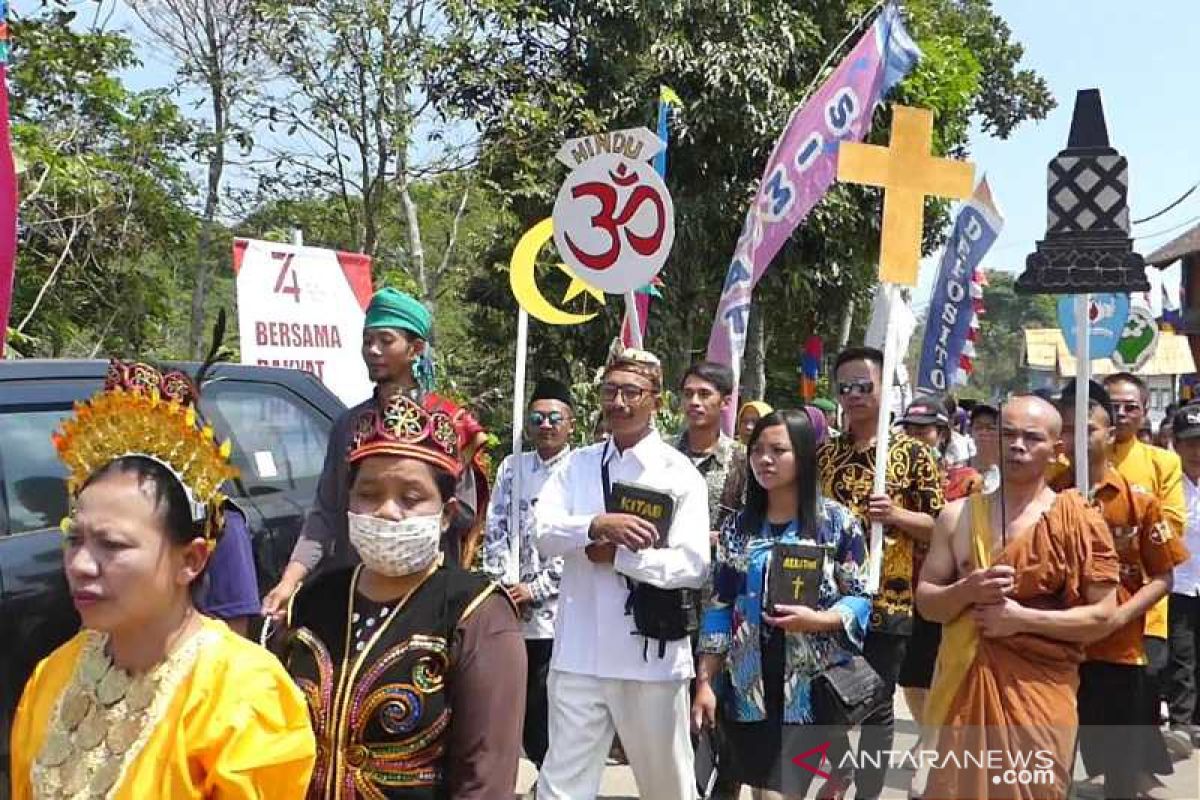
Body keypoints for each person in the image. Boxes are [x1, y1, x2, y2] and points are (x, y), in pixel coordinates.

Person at [10, 360, 316, 799]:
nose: (79, 564)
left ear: (190, 560)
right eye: (73, 538)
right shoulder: (53, 675)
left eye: (112, 545)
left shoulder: (243, 694)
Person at [278, 391, 525, 799]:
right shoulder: (313, 601)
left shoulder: (476, 612)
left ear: (446, 515)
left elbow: (484, 778)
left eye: (410, 499)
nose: (387, 511)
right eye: (369, 495)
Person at [917, 395, 1119, 800]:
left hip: (1040, 695)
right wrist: (966, 591)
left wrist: (1021, 620)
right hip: (963, 686)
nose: (1017, 446)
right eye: (1007, 434)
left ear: (1055, 449)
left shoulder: (1078, 519)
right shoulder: (956, 517)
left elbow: (1102, 616)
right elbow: (926, 602)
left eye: (1031, 437)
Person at [534, 348, 710, 800]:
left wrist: (622, 558)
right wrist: (593, 525)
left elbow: (693, 565)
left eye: (632, 391)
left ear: (656, 399)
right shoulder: (578, 464)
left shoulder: (678, 473)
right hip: (578, 651)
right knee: (562, 784)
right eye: (610, 391)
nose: (619, 402)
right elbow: (542, 532)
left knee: (668, 785)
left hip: (649, 659)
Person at [262, 288, 490, 617]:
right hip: (355, 591)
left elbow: (465, 515)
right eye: (367, 340)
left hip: (427, 597)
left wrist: (410, 523)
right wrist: (289, 581)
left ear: (415, 349)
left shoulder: (450, 425)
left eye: (386, 340)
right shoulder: (348, 425)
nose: (373, 350)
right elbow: (326, 512)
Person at [693, 409, 869, 798]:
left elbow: (859, 598)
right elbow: (720, 606)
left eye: (778, 450)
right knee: (753, 784)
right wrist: (705, 682)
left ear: (804, 456)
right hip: (747, 683)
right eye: (757, 450)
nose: (764, 460)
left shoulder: (837, 524)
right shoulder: (738, 527)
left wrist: (820, 620)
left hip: (809, 685)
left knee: (786, 789)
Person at [818, 346, 944, 800]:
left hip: (887, 599)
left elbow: (939, 526)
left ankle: (868, 793)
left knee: (875, 705)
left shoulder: (913, 455)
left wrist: (895, 515)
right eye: (845, 387)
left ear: (884, 388)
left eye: (863, 386)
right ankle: (841, 769)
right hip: (829, 602)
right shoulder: (825, 456)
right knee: (821, 697)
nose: (853, 395)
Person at [1053, 380, 1187, 800]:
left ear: (1109, 433)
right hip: (1054, 651)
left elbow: (1164, 576)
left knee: (1121, 777)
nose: (1077, 437)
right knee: (1049, 767)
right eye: (1067, 428)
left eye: (1088, 428)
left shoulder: (1137, 503)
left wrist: (1121, 616)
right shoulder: (1045, 494)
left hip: (1120, 651)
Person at [481, 377, 575, 773]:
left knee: (555, 701)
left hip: (562, 614)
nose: (546, 425)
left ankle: (555, 776)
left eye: (555, 417)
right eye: (537, 417)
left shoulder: (581, 469)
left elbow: (578, 544)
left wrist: (536, 589)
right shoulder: (512, 466)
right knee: (517, 704)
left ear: (571, 422)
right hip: (513, 610)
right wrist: (504, 585)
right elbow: (496, 528)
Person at [1102, 372, 1186, 772]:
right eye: (1112, 405)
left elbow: (1171, 522)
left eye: (1130, 406)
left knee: (1141, 691)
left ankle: (1131, 778)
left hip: (1143, 600)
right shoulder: (1073, 461)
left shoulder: (1162, 462)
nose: (1121, 413)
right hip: (1087, 601)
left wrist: (1119, 535)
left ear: (1144, 411)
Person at [895, 396, 980, 771]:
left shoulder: (965, 481)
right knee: (911, 678)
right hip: (901, 589)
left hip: (949, 593)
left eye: (923, 430)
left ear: (942, 433)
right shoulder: (892, 475)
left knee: (943, 670)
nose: (915, 437)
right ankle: (930, 733)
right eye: (909, 429)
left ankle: (936, 742)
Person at [675, 361, 748, 800]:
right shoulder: (661, 454)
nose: (695, 402)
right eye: (688, 394)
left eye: (705, 394)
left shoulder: (744, 459)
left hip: (724, 606)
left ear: (724, 401)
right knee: (676, 718)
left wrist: (723, 539)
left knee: (722, 717)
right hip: (668, 605)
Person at [1166, 403, 1200, 749]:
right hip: (1178, 583)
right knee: (1182, 655)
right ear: (1175, 443)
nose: (1196, 450)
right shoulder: (1169, 482)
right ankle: (1182, 723)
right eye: (1189, 442)